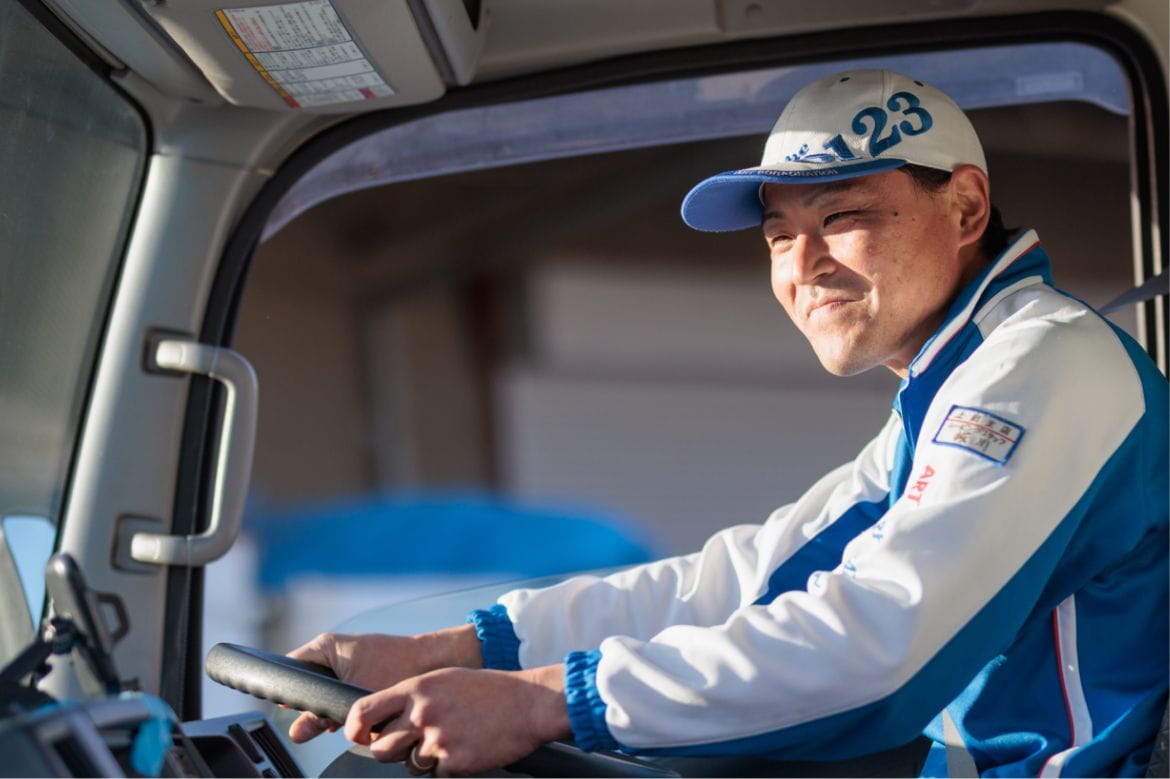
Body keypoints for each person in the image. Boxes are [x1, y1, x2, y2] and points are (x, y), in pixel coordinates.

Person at [286, 70, 1169, 777]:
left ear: (967, 208)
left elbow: (879, 644)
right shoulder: (961, 376)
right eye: (779, 235)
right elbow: (750, 576)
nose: (803, 264)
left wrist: (547, 701)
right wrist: (464, 646)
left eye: (842, 217)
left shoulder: (1040, 363)